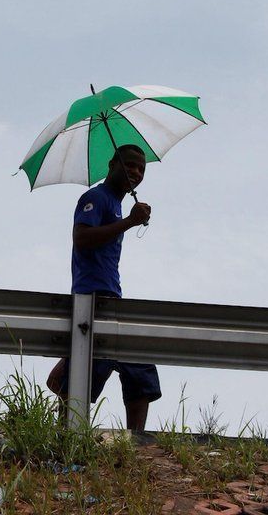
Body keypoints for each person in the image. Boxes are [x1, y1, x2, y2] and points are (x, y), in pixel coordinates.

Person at [45, 143, 161, 433]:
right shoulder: (95, 197)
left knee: (139, 362)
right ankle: (66, 433)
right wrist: (128, 223)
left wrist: (129, 220)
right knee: (93, 367)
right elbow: (81, 238)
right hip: (94, 296)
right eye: (130, 164)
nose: (135, 171)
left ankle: (136, 439)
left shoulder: (115, 204)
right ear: (112, 165)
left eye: (141, 168)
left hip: (111, 294)